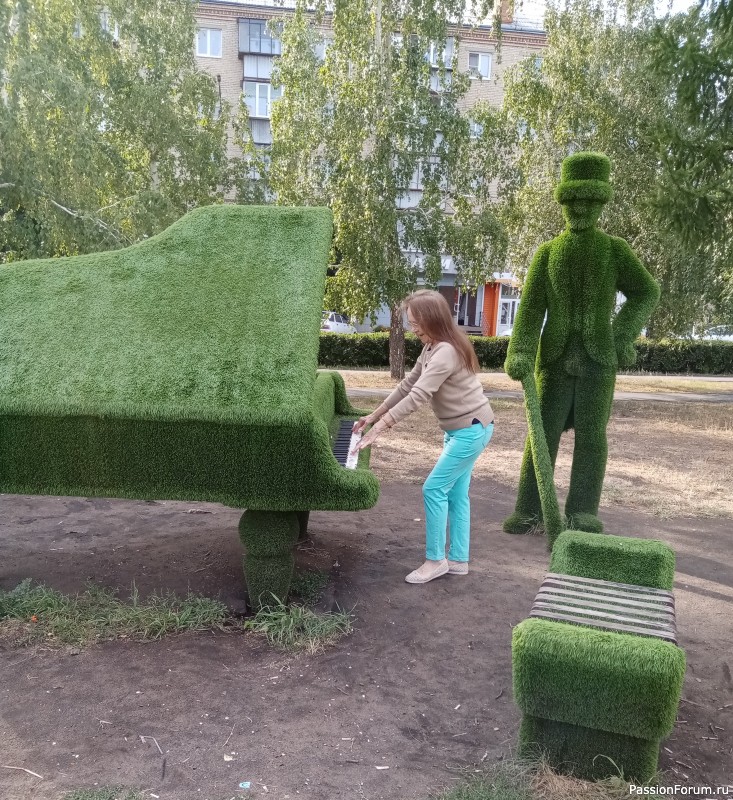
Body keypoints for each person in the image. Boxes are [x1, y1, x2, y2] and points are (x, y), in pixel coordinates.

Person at [503, 151, 660, 535]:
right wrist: (520, 350)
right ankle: (529, 509)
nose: (580, 208)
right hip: (554, 363)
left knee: (592, 437)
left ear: (601, 202)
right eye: (573, 200)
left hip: (597, 361)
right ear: (563, 202)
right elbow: (530, 310)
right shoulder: (547, 254)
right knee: (541, 436)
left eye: (589, 200)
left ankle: (583, 511)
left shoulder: (614, 250)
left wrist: (621, 335)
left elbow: (646, 291)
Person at [352, 289, 494, 584]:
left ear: (432, 319)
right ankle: (458, 560)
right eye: (410, 322)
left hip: (472, 430)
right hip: (461, 430)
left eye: (416, 323)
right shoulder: (431, 347)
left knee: (433, 489)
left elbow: (418, 396)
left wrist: (380, 429)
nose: (412, 328)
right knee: (456, 494)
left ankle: (435, 560)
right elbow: (407, 386)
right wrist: (372, 416)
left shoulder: (446, 352)